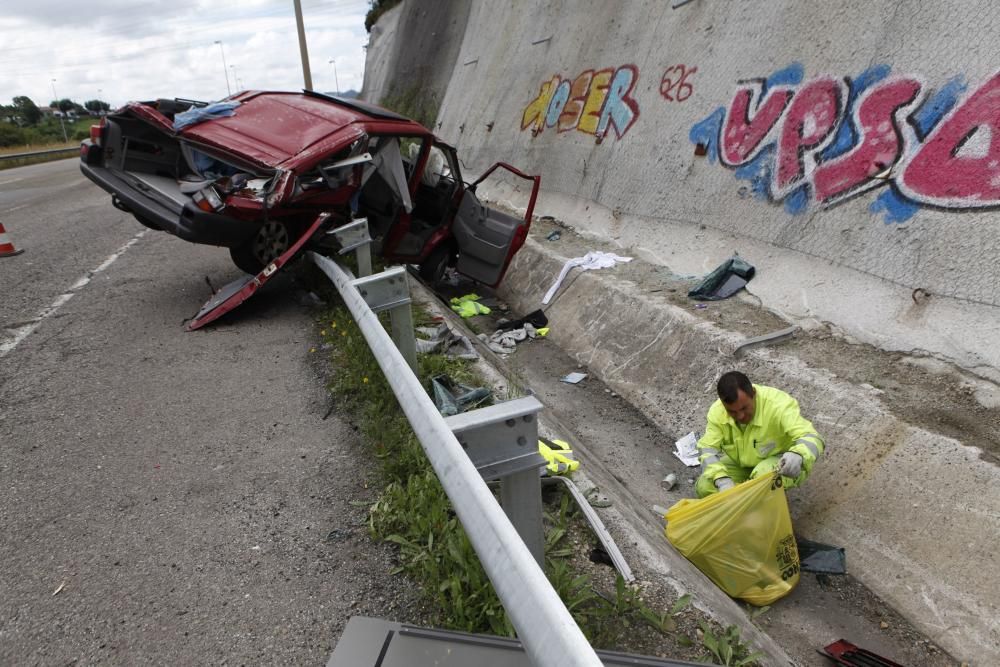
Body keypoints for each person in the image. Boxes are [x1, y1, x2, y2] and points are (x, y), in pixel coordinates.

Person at [695, 371, 824, 498]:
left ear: (754, 394)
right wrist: (722, 480)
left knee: (763, 479)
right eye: (732, 412)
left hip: (778, 462)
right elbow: (707, 449)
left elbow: (812, 436)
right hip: (743, 464)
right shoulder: (717, 412)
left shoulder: (778, 404)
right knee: (705, 486)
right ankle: (742, 506)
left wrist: (799, 455)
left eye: (744, 408)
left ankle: (761, 508)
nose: (740, 416)